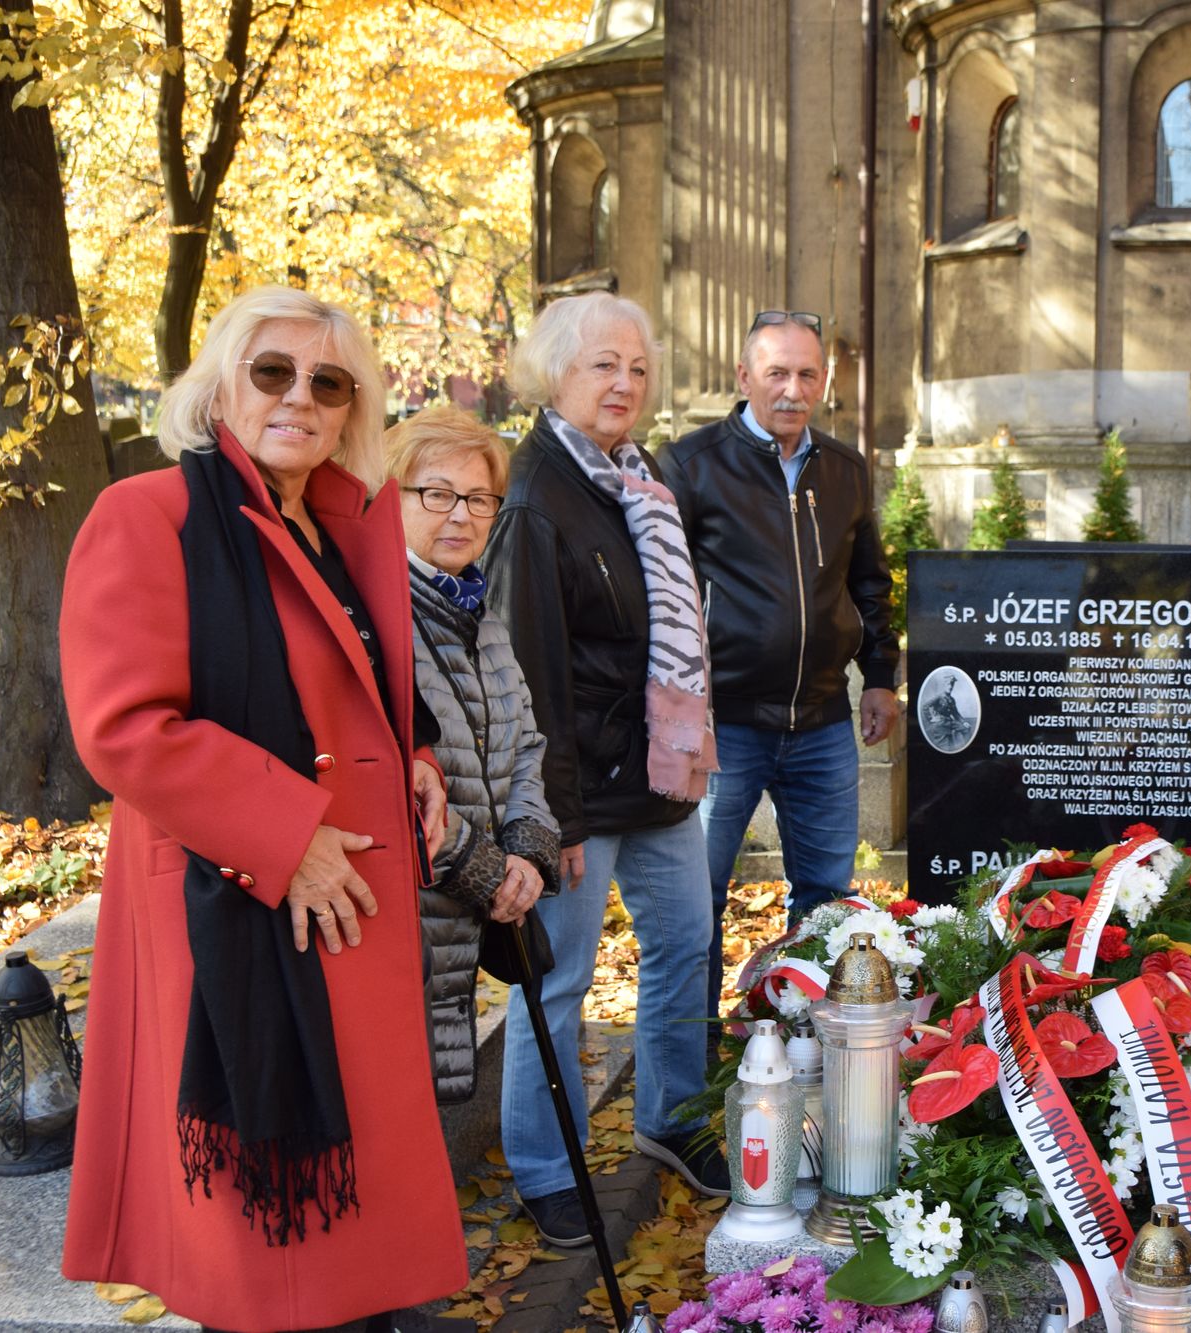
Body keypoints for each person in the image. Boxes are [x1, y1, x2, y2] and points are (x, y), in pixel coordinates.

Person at [58, 286, 465, 1332]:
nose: (300, 398)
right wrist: (287, 838)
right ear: (218, 387)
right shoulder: (150, 513)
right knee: (268, 1235)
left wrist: (413, 752)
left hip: (348, 905)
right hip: (242, 898)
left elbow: (352, 674)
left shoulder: (329, 521)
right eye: (273, 372)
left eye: (329, 383)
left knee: (345, 1219)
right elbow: (124, 727)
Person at [484, 292, 728, 1246]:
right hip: (577, 788)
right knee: (558, 980)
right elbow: (528, 671)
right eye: (603, 365)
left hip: (658, 775)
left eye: (637, 367)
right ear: (556, 374)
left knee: (686, 947)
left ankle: (671, 1120)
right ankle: (548, 1171)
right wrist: (556, 816)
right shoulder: (535, 492)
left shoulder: (638, 471)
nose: (625, 383)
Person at [655, 310, 899, 1018]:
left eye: (807, 374)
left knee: (826, 901)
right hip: (722, 725)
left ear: (824, 380)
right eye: (777, 373)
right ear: (744, 377)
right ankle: (697, 1053)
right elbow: (660, 594)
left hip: (822, 724)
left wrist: (880, 676)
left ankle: (806, 1043)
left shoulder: (845, 469)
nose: (793, 390)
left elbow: (869, 583)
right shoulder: (691, 464)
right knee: (696, 898)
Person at [386, 407, 558, 1104]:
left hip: (465, 918)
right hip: (409, 919)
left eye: (480, 498)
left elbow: (526, 745)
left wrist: (528, 854)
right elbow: (393, 779)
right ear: (390, 497)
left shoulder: (479, 612)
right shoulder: (378, 615)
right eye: (437, 493)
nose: (461, 514)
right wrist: (488, 872)